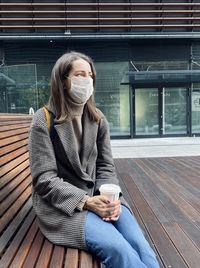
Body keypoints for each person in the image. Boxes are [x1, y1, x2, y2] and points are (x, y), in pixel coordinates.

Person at [28, 51, 160, 268]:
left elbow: (106, 166)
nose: (87, 80)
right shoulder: (44, 121)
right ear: (63, 81)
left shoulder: (97, 118)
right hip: (64, 206)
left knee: (141, 247)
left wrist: (111, 197)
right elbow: (44, 180)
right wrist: (87, 202)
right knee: (119, 250)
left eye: (90, 75)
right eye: (80, 75)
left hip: (100, 197)